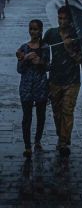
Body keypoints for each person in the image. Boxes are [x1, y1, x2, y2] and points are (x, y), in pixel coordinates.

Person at [43, 6, 82, 157]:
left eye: (65, 18)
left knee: (67, 111)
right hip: (55, 79)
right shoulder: (51, 33)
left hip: (72, 80)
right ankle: (62, 136)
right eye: (60, 18)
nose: (62, 21)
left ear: (70, 20)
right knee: (57, 112)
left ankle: (63, 141)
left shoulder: (76, 36)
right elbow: (41, 49)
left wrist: (70, 48)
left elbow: (81, 59)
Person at [15, 19, 50, 157]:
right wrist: (25, 59)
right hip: (26, 87)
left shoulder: (45, 47)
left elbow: (48, 66)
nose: (33, 32)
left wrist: (40, 61)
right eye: (31, 29)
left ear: (41, 30)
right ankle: (27, 146)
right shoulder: (23, 48)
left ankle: (37, 140)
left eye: (35, 29)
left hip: (41, 86)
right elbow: (19, 70)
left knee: (41, 116)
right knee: (27, 117)